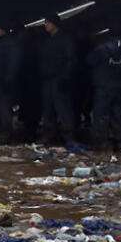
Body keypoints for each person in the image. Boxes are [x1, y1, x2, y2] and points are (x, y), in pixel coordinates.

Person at [88, 25, 121, 151]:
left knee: (102, 115)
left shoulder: (101, 49)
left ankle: (100, 142)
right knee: (119, 115)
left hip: (104, 88)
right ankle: (120, 141)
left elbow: (90, 62)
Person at [38, 13, 77, 144]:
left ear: (55, 24)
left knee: (63, 109)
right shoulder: (47, 40)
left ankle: (68, 136)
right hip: (47, 79)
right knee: (48, 109)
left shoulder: (65, 40)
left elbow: (70, 60)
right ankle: (49, 135)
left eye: (48, 22)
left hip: (59, 79)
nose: (45, 25)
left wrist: (65, 77)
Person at [0, 20, 22, 144]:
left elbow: (13, 64)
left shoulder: (11, 44)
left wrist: (9, 79)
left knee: (3, 109)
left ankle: (5, 135)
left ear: (3, 29)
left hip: (4, 82)